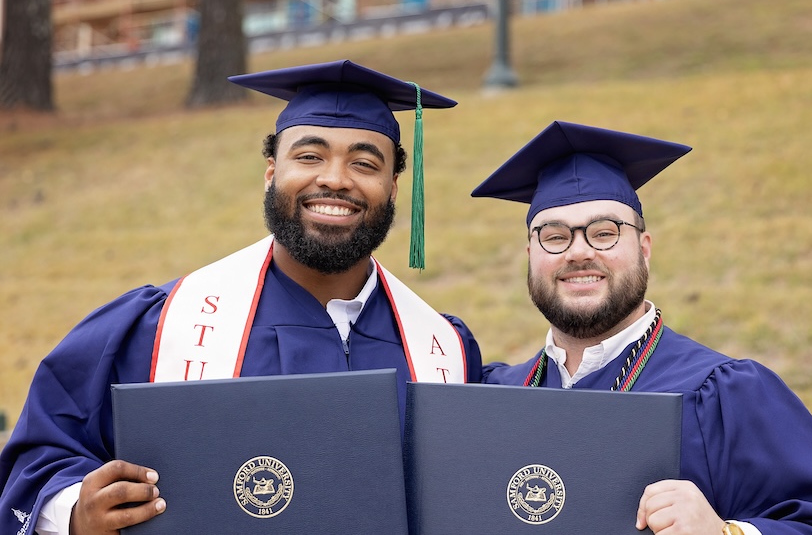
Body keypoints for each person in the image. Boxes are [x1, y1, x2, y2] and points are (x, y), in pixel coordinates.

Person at [0, 59, 482, 535]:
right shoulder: (158, 326)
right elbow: (39, 457)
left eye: (364, 163)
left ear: (394, 187)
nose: (335, 178)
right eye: (309, 156)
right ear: (271, 172)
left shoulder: (444, 351)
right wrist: (75, 515)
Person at [473, 120, 812, 534]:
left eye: (604, 233)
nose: (579, 251)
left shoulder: (726, 395)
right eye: (554, 236)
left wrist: (727, 533)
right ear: (530, 254)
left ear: (644, 249)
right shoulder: (489, 398)